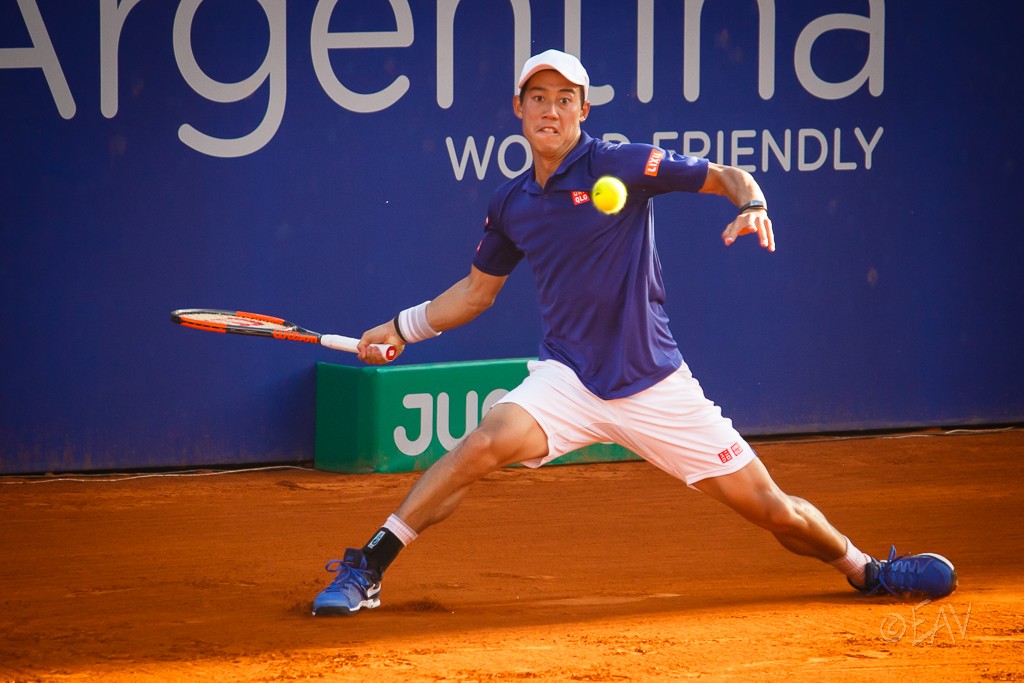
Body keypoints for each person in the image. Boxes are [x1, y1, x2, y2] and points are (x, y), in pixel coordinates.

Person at [311, 50, 957, 616]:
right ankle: (368, 565)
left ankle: (868, 568)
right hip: (568, 378)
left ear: (583, 110)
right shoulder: (511, 204)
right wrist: (401, 328)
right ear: (518, 108)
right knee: (483, 443)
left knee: (774, 510)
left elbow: (724, 176)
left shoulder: (621, 163)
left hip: (654, 381)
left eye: (565, 100)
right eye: (538, 98)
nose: (551, 111)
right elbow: (477, 292)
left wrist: (751, 203)